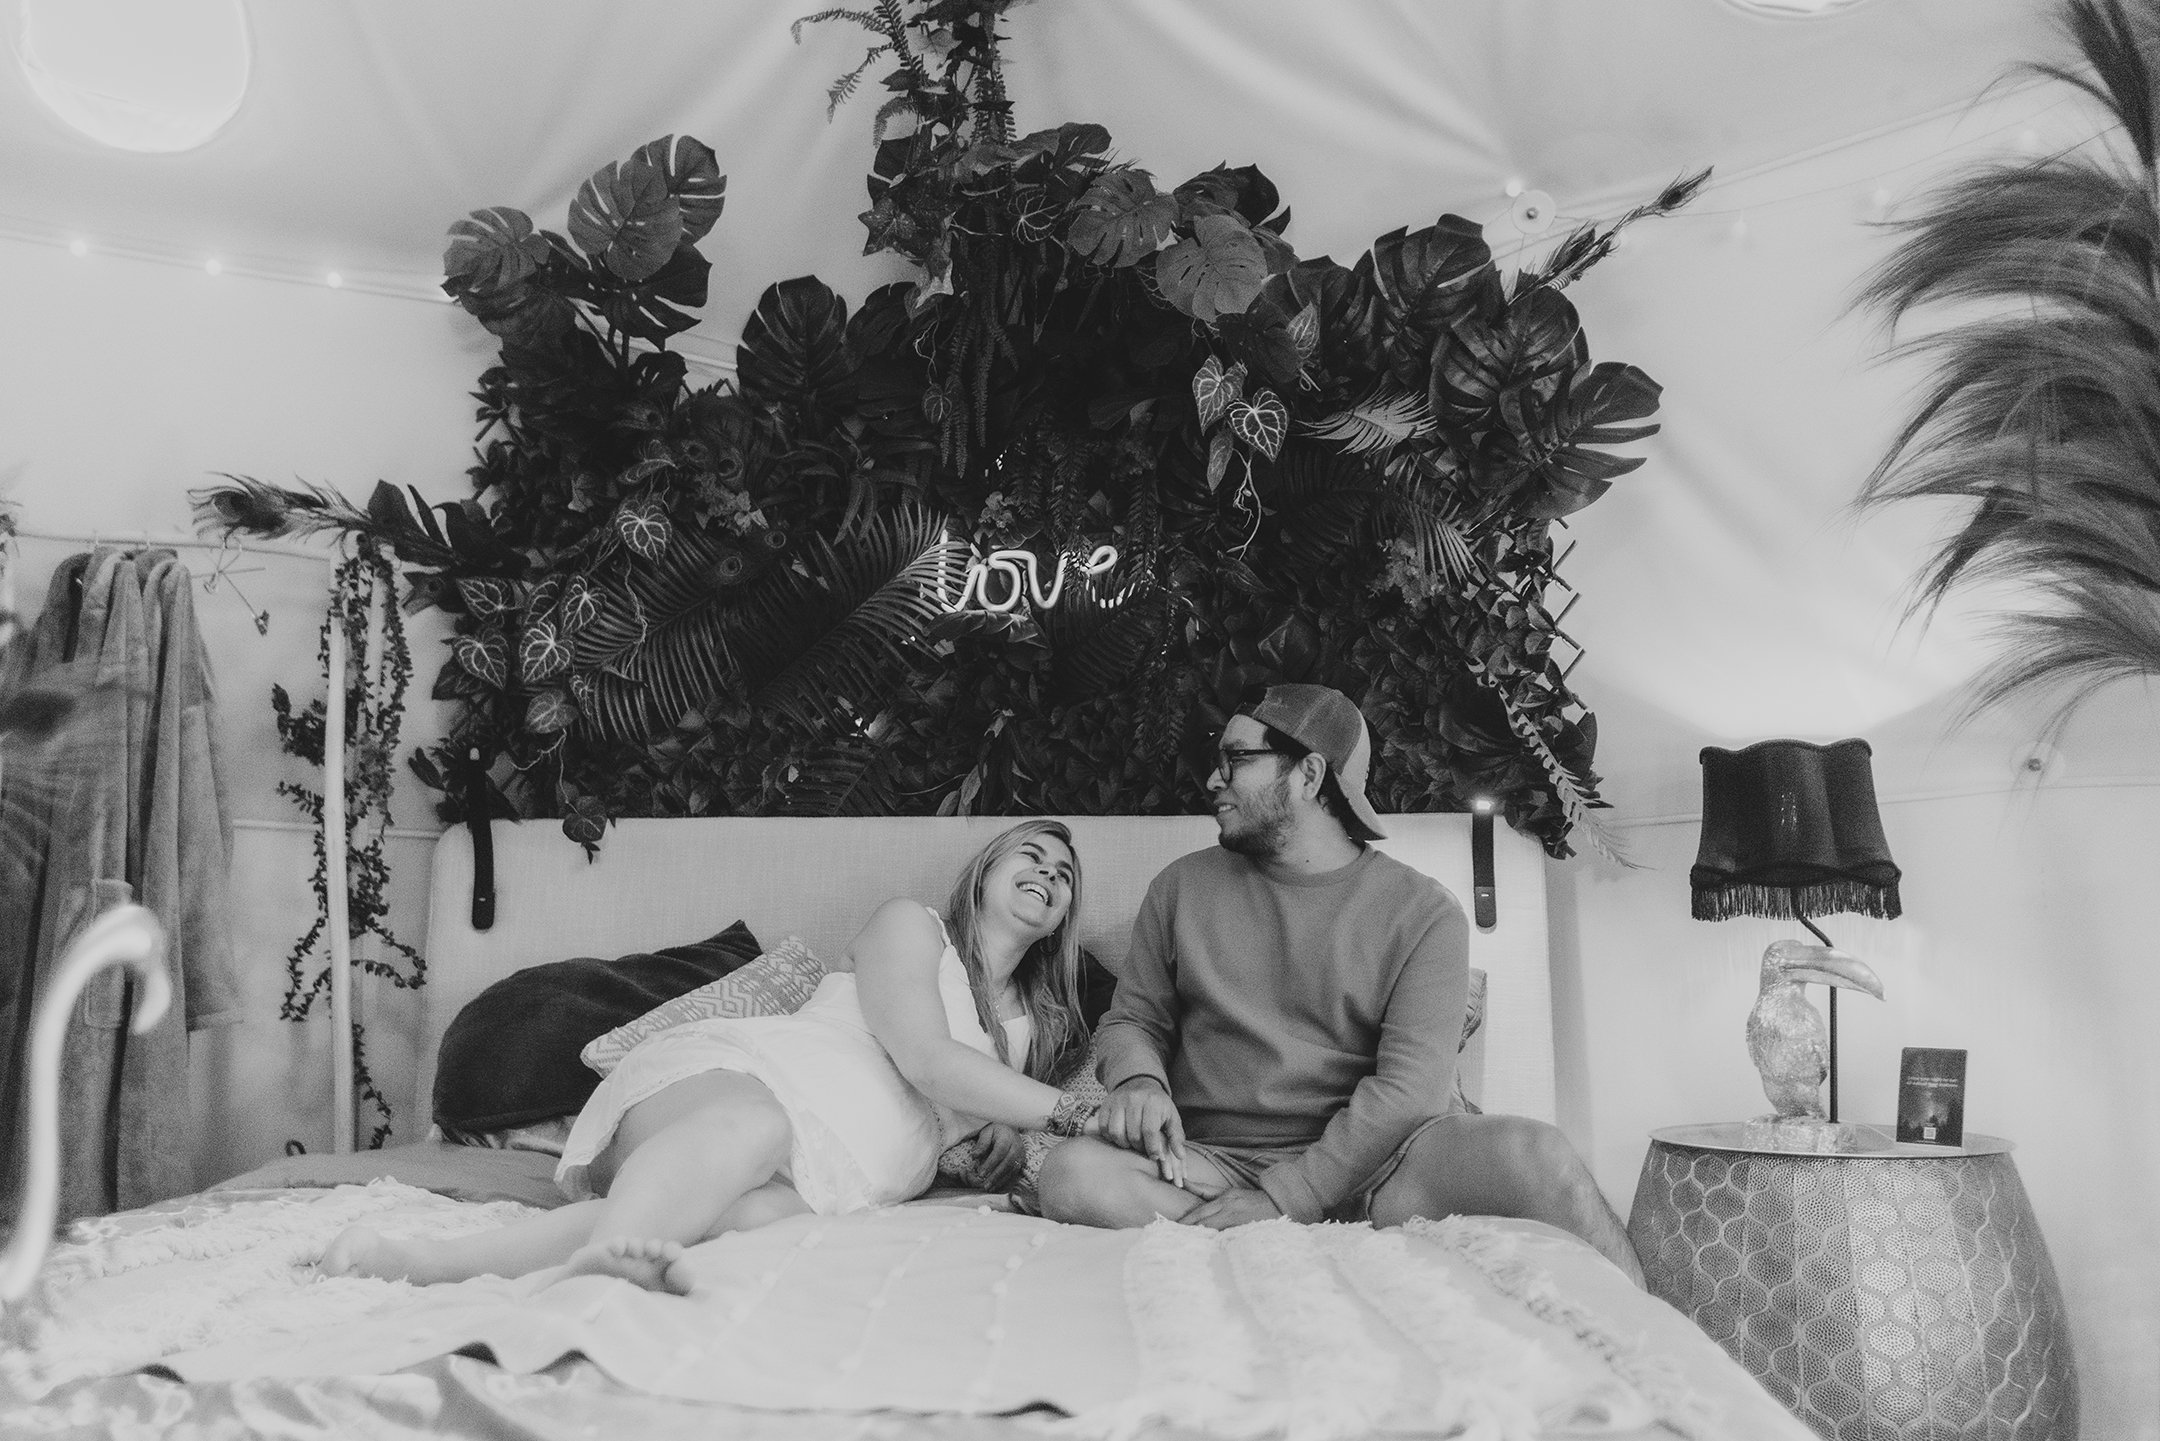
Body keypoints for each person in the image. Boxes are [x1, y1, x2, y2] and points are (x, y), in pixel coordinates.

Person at [322, 819, 1103, 1294]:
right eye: (1029, 856)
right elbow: (927, 1058)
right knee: (751, 1125)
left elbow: (944, 1109)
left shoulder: (1031, 1035)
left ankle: (423, 1264)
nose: (1047, 873)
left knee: (728, 1221)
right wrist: (1077, 1114)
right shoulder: (914, 926)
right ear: (984, 873)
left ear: (1065, 916)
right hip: (746, 1083)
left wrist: (982, 1144)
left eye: (1064, 875)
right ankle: (601, 1280)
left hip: (841, 1177)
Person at [1034, 684, 1644, 1286]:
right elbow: (1133, 1019)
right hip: (1213, 1163)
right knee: (1071, 1175)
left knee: (1541, 1155)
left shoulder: (1423, 912)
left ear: (1309, 775)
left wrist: (1287, 1197)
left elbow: (1409, 1091)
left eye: (1238, 761)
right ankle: (1296, 1244)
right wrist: (1139, 1080)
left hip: (1381, 1170)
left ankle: (1653, 1334)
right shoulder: (1181, 887)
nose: (1215, 780)